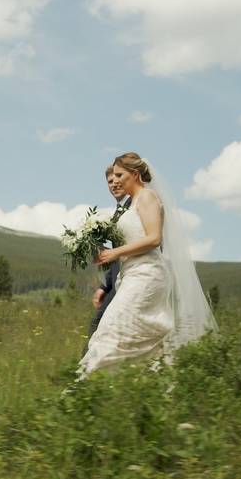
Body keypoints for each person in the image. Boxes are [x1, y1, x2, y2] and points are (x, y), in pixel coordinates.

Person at [78, 152, 215, 377]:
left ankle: (87, 384)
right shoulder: (128, 208)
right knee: (121, 332)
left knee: (112, 328)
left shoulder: (148, 197)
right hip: (130, 275)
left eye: (120, 175)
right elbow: (130, 241)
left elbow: (154, 239)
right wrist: (102, 254)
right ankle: (135, 384)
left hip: (147, 275)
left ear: (134, 174)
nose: (116, 180)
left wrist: (115, 253)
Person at [82, 166, 131, 357]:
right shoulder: (119, 211)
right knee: (103, 325)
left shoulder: (137, 205)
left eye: (118, 178)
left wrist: (113, 253)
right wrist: (105, 286)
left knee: (101, 323)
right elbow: (119, 257)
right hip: (118, 279)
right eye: (110, 181)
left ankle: (86, 373)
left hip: (134, 278)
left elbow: (149, 245)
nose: (114, 184)